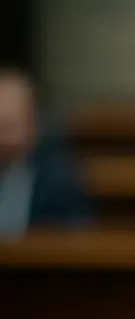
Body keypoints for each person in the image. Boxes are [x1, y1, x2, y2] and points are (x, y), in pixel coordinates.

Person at [0, 67, 90, 236]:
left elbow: (75, 240)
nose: (2, 138)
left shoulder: (59, 181)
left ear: (32, 125)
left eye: (9, 125)